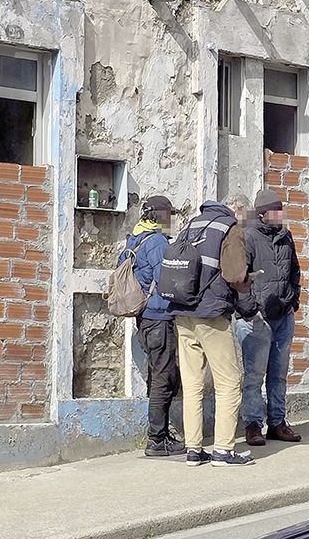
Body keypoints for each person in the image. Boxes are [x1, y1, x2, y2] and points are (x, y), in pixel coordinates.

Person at [171, 195, 253, 467]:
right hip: (211, 314)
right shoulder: (229, 228)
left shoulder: (192, 224)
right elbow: (234, 274)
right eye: (245, 214)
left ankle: (193, 450)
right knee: (229, 382)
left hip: (183, 312)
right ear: (238, 209)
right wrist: (248, 283)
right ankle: (223, 451)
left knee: (193, 385)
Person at [231, 190, 304, 447]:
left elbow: (295, 270)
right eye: (277, 210)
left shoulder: (286, 237)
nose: (281, 215)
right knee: (253, 375)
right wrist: (251, 311)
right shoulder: (247, 236)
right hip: (256, 318)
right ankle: (252, 425)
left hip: (283, 315)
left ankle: (277, 422)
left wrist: (293, 299)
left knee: (279, 373)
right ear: (262, 213)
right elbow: (239, 278)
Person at [121, 194, 184, 457]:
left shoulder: (133, 239)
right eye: (169, 215)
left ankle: (160, 434)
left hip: (144, 320)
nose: (172, 220)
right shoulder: (157, 241)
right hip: (159, 318)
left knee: (158, 376)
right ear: (160, 216)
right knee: (164, 379)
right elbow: (166, 278)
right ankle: (157, 440)